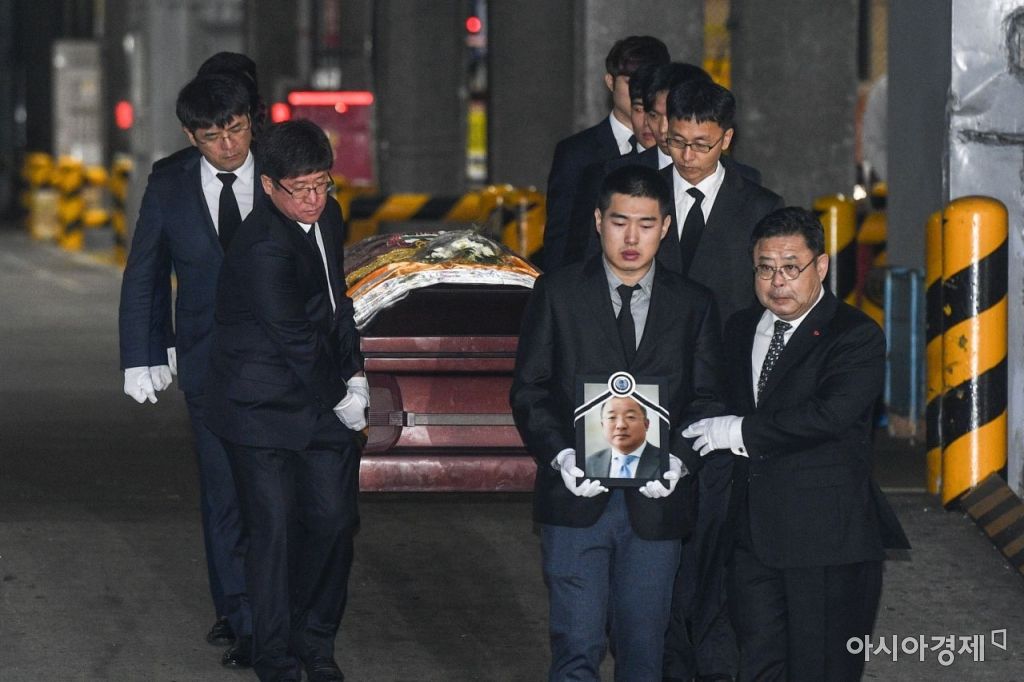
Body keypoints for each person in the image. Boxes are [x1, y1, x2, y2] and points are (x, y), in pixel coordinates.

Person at [510, 163, 725, 681]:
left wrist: (680, 461)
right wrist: (560, 455)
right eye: (619, 221)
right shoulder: (557, 292)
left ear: (665, 226)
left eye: (646, 224)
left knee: (644, 651)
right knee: (576, 647)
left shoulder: (693, 303)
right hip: (575, 500)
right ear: (597, 221)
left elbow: (708, 397)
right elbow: (530, 389)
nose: (632, 238)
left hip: (656, 505)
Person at [683, 207, 909, 681]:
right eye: (765, 268)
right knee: (757, 663)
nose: (777, 282)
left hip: (825, 539)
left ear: (820, 266)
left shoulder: (855, 334)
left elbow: (830, 416)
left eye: (791, 267)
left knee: (821, 667)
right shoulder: (740, 327)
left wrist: (738, 431)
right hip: (750, 536)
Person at [204, 119, 367, 682]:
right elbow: (294, 337)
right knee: (272, 534)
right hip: (260, 408)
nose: (313, 200)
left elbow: (337, 301)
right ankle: (276, 660)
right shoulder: (261, 246)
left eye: (322, 184)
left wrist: (356, 373)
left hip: (318, 393)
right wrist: (342, 398)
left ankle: (314, 640)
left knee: (334, 522)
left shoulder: (329, 216)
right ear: (268, 186)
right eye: (299, 190)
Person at [118, 73, 256, 665]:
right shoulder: (170, 181)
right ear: (189, 136)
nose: (228, 146)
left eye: (236, 130)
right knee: (224, 491)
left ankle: (268, 609)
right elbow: (145, 270)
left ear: (251, 121)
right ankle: (242, 616)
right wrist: (142, 352)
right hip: (206, 359)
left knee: (273, 494)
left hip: (281, 365)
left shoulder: (281, 172)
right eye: (212, 136)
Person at [658, 78, 783, 682]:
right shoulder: (636, 196)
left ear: (727, 140)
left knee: (713, 547)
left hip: (725, 406)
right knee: (650, 549)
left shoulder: (759, 208)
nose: (687, 156)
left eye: (701, 145)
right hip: (644, 399)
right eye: (677, 141)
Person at [542, 35, 670, 271]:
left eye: (650, 82)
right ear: (610, 81)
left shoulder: (674, 147)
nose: (641, 91)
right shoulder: (576, 152)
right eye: (631, 82)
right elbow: (560, 237)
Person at [566, 62, 713, 266]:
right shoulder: (610, 174)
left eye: (672, 116)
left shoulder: (743, 182)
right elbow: (583, 262)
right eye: (653, 115)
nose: (662, 128)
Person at [585, 396, 662, 480]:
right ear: (602, 425)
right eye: (612, 417)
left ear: (646, 424)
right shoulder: (589, 463)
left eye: (630, 417)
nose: (621, 425)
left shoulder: (667, 461)